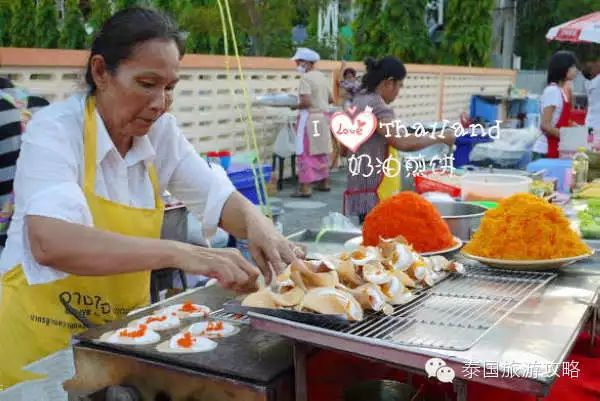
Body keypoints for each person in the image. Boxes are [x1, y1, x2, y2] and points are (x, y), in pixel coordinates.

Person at [0, 7, 301, 389]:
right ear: (100, 72)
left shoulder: (160, 134)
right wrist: (184, 253)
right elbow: (50, 241)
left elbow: (218, 197)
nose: (160, 102)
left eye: (170, 87)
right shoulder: (55, 130)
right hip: (39, 354)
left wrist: (261, 228)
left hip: (118, 345)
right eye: (147, 83)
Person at [344, 56, 455, 223]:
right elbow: (403, 142)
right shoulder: (376, 106)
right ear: (389, 82)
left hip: (359, 183)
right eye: (399, 86)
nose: (398, 92)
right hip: (375, 188)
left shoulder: (360, 98)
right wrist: (441, 136)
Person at [291, 47, 333, 197]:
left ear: (305, 63)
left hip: (309, 119)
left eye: (298, 62)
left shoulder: (306, 79)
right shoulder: (322, 77)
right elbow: (331, 99)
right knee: (321, 150)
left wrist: (293, 105)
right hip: (322, 118)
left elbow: (306, 101)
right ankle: (324, 182)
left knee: (305, 152)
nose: (297, 65)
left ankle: (306, 187)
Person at [532, 51, 579, 159]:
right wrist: (568, 137)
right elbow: (545, 125)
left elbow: (561, 119)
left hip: (556, 147)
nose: (576, 70)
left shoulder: (561, 91)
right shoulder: (552, 91)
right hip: (544, 151)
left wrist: (577, 129)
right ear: (563, 68)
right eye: (572, 66)